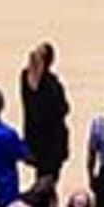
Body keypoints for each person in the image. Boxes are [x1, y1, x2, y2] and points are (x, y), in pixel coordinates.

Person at [20, 43, 69, 183]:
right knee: (49, 182)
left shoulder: (25, 78)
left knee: (40, 178)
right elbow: (64, 108)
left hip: (34, 138)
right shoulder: (52, 84)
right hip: (52, 142)